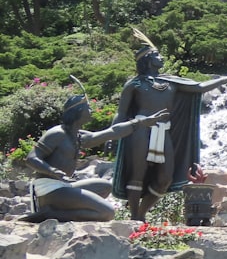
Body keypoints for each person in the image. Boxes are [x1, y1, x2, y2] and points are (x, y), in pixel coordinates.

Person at [112, 32, 227, 221]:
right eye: (157, 55)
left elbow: (199, 88)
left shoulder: (171, 81)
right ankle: (134, 217)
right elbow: (121, 113)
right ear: (147, 60)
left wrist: (225, 79)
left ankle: (141, 213)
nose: (161, 57)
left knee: (165, 178)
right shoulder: (134, 84)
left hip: (163, 131)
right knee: (137, 174)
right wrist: (112, 134)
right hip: (140, 130)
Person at [23, 88, 169, 223]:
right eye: (88, 107)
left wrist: (142, 122)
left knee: (105, 187)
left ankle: (59, 210)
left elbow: (113, 132)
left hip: (63, 185)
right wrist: (52, 171)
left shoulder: (78, 136)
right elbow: (31, 158)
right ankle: (50, 214)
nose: (91, 109)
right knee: (107, 213)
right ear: (79, 111)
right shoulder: (57, 134)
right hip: (48, 188)